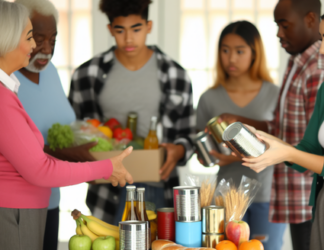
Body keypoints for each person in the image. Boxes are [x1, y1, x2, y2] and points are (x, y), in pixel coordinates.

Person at [0, 2, 133, 250]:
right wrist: (104, 167)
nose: (35, 46)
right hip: (14, 213)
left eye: (53, 38)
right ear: (5, 40)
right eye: (30, 37)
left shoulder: (11, 89)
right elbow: (39, 169)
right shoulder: (2, 99)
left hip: (31, 209)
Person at [218, 0, 324, 249]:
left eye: (284, 25)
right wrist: (243, 123)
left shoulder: (318, 69)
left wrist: (267, 154)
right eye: (277, 25)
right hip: (295, 195)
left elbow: (320, 145)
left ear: (311, 20)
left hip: (308, 197)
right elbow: (286, 128)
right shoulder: (297, 63)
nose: (279, 33)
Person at [69, 0, 195, 224]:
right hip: (107, 189)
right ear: (110, 30)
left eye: (136, 29)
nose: (128, 39)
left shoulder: (176, 75)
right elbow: (74, 134)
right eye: (120, 30)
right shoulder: (87, 75)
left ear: (149, 26)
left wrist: (177, 150)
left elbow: (189, 136)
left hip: (158, 186)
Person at [13, 1, 98, 250]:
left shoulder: (49, 72)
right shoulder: (6, 80)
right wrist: (74, 160)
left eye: (54, 39)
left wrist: (87, 151)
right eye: (38, 39)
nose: (47, 50)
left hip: (50, 199)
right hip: (16, 207)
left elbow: (62, 127)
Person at [196, 21, 284, 250]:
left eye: (239, 51)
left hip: (268, 195)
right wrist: (208, 156)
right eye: (225, 50)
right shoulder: (209, 98)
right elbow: (200, 146)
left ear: (254, 53)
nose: (231, 58)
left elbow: (285, 144)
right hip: (225, 196)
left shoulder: (276, 94)